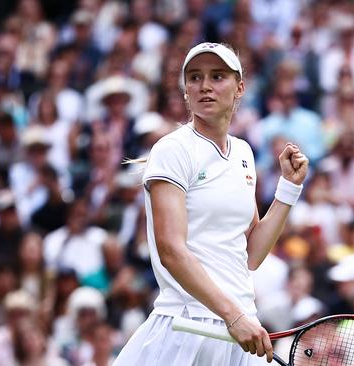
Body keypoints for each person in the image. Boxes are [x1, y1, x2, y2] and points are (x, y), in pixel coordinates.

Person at [113, 42, 309, 365]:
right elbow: (171, 250)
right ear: (186, 91)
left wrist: (288, 188)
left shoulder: (245, 154)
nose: (204, 86)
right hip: (187, 327)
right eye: (194, 77)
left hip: (241, 330)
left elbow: (252, 254)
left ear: (239, 88)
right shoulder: (172, 150)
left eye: (217, 76)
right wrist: (233, 315)